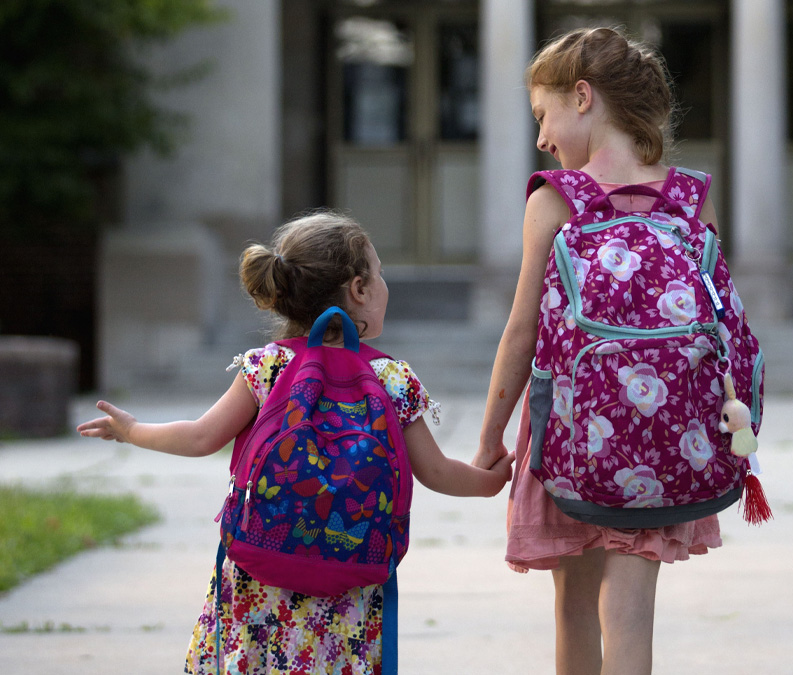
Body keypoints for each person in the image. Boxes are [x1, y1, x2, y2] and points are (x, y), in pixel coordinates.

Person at [78, 211, 515, 675]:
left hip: (261, 578)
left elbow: (203, 436)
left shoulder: (266, 367)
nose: (385, 284)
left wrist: (132, 431)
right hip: (348, 582)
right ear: (359, 289)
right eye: (380, 273)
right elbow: (438, 472)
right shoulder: (390, 378)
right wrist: (489, 481)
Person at [473, 27, 723, 675]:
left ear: (582, 96)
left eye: (543, 114)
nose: (541, 138)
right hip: (665, 426)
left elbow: (522, 332)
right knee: (633, 611)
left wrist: (489, 438)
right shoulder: (692, 198)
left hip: (570, 429)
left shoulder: (555, 198)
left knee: (576, 607)